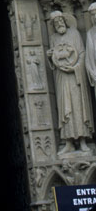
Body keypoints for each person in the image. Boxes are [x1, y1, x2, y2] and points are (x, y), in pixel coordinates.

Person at [47, 11, 93, 154]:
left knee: (78, 106)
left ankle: (83, 141)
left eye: (60, 20)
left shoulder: (74, 34)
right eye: (55, 23)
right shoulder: (53, 37)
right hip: (61, 78)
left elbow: (82, 53)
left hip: (75, 77)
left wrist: (75, 67)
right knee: (64, 108)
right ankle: (68, 143)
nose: (59, 24)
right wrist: (50, 57)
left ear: (65, 21)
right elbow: (54, 57)